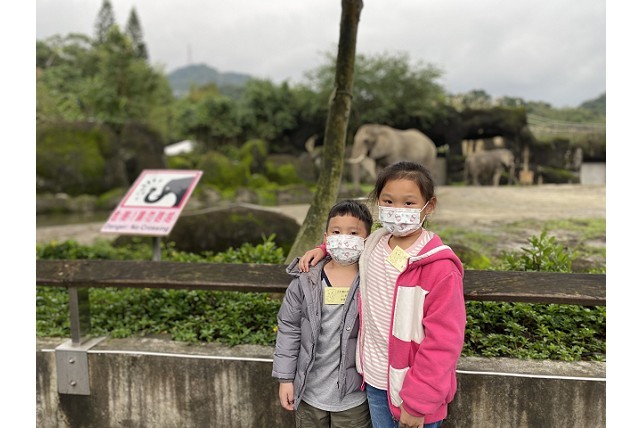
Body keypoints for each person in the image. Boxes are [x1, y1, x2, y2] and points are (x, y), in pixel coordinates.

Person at [298, 161, 466, 428]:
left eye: (408, 203)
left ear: (429, 206)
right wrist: (324, 248)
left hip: (415, 392)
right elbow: (348, 241)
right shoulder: (373, 245)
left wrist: (418, 402)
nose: (397, 210)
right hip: (375, 382)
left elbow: (444, 341)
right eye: (388, 201)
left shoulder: (439, 268)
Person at [272, 199, 374, 428]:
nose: (344, 238)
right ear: (326, 237)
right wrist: (285, 379)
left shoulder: (372, 280)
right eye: (336, 232)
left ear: (367, 239)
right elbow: (289, 329)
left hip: (353, 398)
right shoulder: (306, 281)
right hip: (308, 393)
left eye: (353, 233)